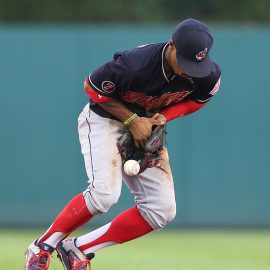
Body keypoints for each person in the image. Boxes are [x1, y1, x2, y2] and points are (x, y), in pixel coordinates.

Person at [25, 18, 221, 270]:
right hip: (105, 119)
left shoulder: (206, 73)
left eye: (195, 64)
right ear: (171, 45)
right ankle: (41, 246)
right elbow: (92, 86)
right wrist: (131, 119)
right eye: (184, 62)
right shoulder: (135, 65)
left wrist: (164, 116)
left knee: (161, 210)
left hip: (145, 126)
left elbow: (199, 100)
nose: (188, 70)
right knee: (103, 196)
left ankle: (77, 249)